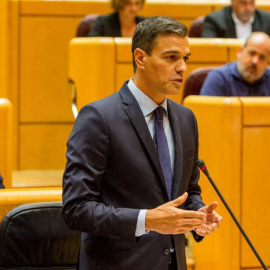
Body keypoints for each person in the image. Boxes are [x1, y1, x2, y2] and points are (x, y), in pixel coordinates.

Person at [63, 16, 222, 270]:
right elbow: (76, 209)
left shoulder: (185, 118)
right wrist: (147, 220)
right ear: (140, 58)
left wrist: (197, 216)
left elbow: (189, 191)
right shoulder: (99, 118)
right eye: (171, 58)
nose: (182, 67)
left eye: (186, 58)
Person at [200, 32, 270, 96]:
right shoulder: (218, 78)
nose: (255, 61)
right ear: (240, 52)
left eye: (262, 58)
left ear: (267, 62)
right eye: (251, 53)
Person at [202, 0, 270, 39]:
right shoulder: (214, 21)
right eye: (243, 3)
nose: (248, 8)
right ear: (232, 1)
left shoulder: (267, 20)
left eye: (251, 3)